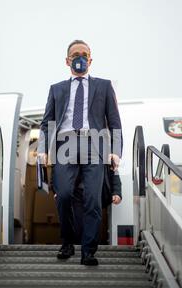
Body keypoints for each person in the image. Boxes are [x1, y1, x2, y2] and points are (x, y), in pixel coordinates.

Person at [38, 40, 122, 266]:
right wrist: (43, 149)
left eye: (85, 54)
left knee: (92, 200)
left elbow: (114, 122)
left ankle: (88, 251)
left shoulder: (104, 86)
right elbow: (46, 123)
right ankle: (67, 242)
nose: (80, 57)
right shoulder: (56, 89)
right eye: (75, 54)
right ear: (67, 60)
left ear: (91, 60)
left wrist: (115, 151)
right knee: (64, 194)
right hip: (65, 143)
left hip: (94, 143)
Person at [72, 165, 122, 245]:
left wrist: (117, 192)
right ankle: (79, 248)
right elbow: (63, 171)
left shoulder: (104, 154)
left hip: (95, 193)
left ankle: (91, 250)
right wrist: (58, 190)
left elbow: (114, 171)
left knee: (94, 222)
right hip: (77, 194)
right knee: (78, 224)